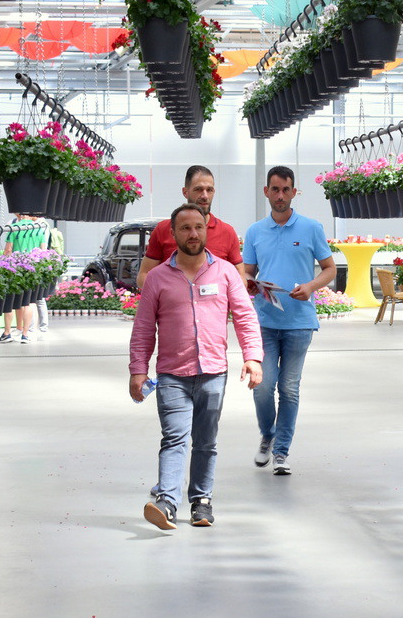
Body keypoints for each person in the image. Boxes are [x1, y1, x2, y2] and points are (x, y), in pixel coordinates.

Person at [129, 203, 264, 530]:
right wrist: (138, 369)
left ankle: (201, 500)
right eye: (185, 228)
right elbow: (144, 327)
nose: (193, 233)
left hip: (213, 373)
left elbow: (245, 317)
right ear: (173, 233)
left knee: (205, 441)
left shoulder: (226, 273)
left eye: (198, 227)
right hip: (171, 375)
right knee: (174, 438)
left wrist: (253, 357)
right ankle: (167, 502)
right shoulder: (157, 278)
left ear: (206, 230)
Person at [240, 167, 335, 476]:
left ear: (294, 192)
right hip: (264, 321)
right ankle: (268, 434)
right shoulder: (255, 231)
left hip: (299, 323)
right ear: (266, 192)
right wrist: (249, 283)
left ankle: (281, 451)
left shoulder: (311, 228)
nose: (280, 195)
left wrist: (310, 287)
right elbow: (248, 271)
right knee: (263, 386)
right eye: (275, 189)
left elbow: (330, 268)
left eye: (285, 190)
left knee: (289, 389)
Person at [137, 165, 242, 291]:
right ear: (185, 192)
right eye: (198, 189)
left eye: (209, 190)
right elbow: (143, 275)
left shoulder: (227, 232)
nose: (205, 196)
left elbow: (240, 278)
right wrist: (166, 294)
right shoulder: (163, 229)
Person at [0, 213, 46, 343]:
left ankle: (7, 333)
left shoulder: (14, 228)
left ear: (19, 215)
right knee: (29, 302)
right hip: (32, 269)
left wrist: (3, 264)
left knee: (10, 301)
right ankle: (25, 334)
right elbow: (43, 251)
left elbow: (8, 250)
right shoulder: (39, 229)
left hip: (15, 268)